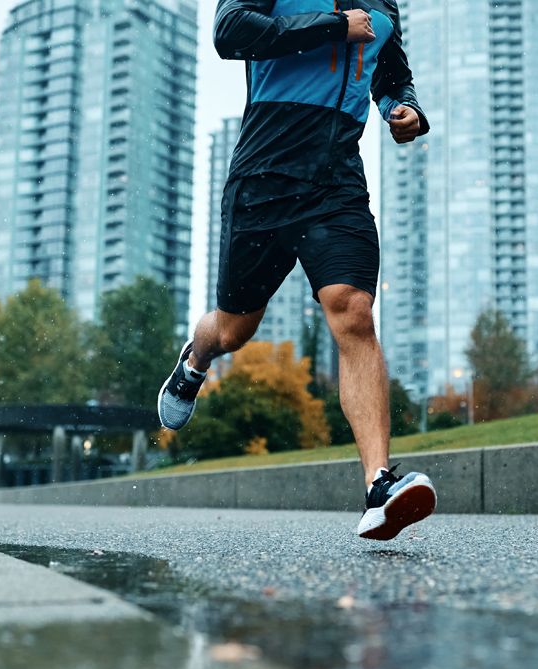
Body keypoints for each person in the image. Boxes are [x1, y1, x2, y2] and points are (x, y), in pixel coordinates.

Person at [158, 0, 436, 541]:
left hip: (337, 183)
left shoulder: (383, 4)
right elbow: (230, 31)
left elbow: (391, 75)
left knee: (354, 312)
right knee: (234, 330)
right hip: (265, 176)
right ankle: (195, 360)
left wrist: (405, 109)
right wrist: (334, 27)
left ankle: (379, 487)